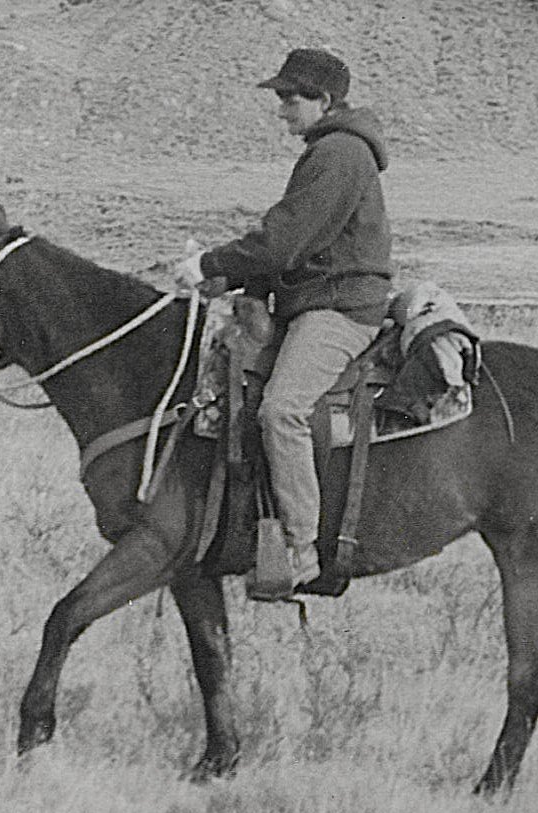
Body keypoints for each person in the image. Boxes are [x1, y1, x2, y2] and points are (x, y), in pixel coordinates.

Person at [177, 48, 393, 594]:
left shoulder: (339, 154)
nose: (281, 110)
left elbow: (284, 241)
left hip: (338, 311)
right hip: (314, 301)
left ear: (323, 101)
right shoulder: (331, 150)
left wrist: (210, 263)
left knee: (281, 412)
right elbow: (298, 250)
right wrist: (233, 280)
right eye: (280, 98)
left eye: (289, 98)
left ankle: (301, 550)